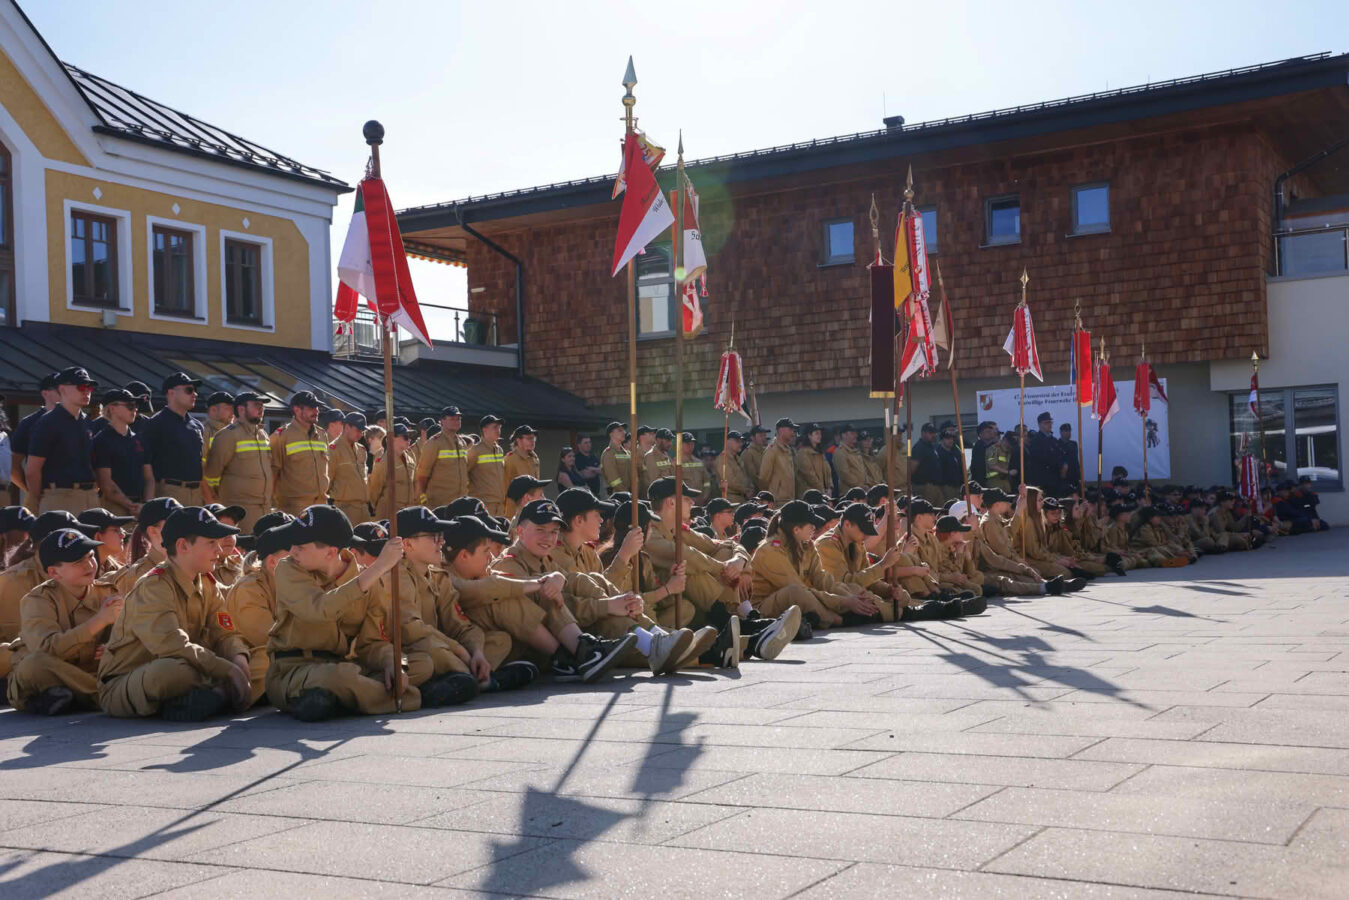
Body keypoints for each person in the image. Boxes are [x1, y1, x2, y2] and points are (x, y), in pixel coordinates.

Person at [265, 506, 420, 720]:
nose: (292, 551)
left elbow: (372, 643)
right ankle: (408, 697)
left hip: (341, 664)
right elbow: (319, 609)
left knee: (420, 663)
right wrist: (379, 567)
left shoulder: (366, 581)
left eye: (300, 546)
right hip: (292, 670)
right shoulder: (287, 569)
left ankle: (341, 699)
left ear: (330, 552)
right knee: (341, 677)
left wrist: (393, 664)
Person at [97, 506, 252, 720]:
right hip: (126, 682)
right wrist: (228, 671)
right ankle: (221, 693)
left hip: (185, 663)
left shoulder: (206, 583)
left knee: (254, 657)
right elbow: (172, 645)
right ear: (183, 546)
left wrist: (239, 660)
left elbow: (225, 633)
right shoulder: (154, 586)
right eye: (211, 543)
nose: (219, 549)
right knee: (175, 670)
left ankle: (205, 697)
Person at [551, 488, 706, 674]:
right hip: (587, 632)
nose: (601, 520)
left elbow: (604, 591)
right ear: (578, 520)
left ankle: (667, 641)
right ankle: (707, 652)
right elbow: (574, 605)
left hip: (621, 620)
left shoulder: (589, 553)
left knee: (677, 623)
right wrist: (623, 558)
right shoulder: (555, 556)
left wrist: (664, 586)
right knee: (625, 627)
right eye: (596, 514)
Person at [489, 499, 638, 681]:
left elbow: (573, 581)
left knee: (589, 581)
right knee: (551, 595)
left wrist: (622, 601)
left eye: (554, 532)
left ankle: (651, 634)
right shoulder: (508, 564)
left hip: (558, 642)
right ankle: (589, 652)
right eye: (540, 530)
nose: (548, 538)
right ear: (519, 531)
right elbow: (539, 608)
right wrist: (606, 606)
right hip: (526, 651)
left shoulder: (543, 558)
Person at [6, 528, 124, 714]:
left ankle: (70, 697)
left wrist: (113, 647)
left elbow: (125, 638)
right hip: (56, 671)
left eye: (90, 556)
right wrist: (99, 621)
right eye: (78, 561)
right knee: (32, 664)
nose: (89, 565)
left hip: (92, 673)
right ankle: (106, 696)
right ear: (54, 572)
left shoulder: (107, 593)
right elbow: (47, 648)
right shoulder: (38, 600)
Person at [752, 500, 868, 632]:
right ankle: (838, 619)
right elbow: (798, 588)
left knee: (853, 588)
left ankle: (866, 610)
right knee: (795, 592)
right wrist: (842, 602)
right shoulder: (770, 550)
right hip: (766, 608)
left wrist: (849, 597)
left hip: (805, 598)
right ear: (796, 529)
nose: (814, 528)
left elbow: (821, 579)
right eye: (810, 525)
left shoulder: (806, 545)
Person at [223, 512, 293, 705]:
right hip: (248, 657)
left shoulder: (288, 581)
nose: (301, 558)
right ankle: (222, 696)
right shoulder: (249, 588)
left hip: (277, 650)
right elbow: (271, 639)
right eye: (294, 554)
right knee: (276, 659)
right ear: (272, 562)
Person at [24, 367, 99, 515]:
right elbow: (32, 470)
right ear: (62, 389)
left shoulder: (87, 422)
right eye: (81, 387)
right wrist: (37, 499)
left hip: (89, 496)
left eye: (89, 387)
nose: (86, 391)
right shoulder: (48, 422)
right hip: (60, 497)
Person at [202, 391, 273, 531]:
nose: (261, 409)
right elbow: (211, 474)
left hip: (264, 508)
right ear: (241, 409)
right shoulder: (228, 435)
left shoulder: (263, 435)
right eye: (256, 405)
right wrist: (215, 499)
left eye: (262, 406)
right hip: (240, 510)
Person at [142, 372, 207, 506]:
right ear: (171, 393)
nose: (195, 394)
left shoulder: (197, 425)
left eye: (195, 390)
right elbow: (145, 466)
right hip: (168, 492)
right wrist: (149, 502)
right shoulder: (155, 424)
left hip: (196, 493)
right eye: (189, 390)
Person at [91, 388, 154, 517]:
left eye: (136, 406)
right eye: (130, 406)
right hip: (113, 507)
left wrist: (146, 505)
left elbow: (149, 478)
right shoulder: (101, 440)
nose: (135, 409)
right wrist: (131, 505)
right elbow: (106, 483)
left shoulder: (139, 440)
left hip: (140, 507)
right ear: (112, 408)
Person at [102, 497, 180, 596]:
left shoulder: (189, 567)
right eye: (173, 523)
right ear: (153, 531)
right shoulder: (138, 577)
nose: (183, 527)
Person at [270, 391, 330, 516]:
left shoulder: (322, 434)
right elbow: (273, 472)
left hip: (322, 505)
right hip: (294, 508)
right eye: (311, 407)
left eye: (317, 407)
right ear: (297, 410)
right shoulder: (282, 436)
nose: (316, 410)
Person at [9, 373, 60, 494]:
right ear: (45, 393)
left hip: (81, 495)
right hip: (47, 494)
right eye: (59, 389)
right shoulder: (29, 423)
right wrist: (33, 493)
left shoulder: (81, 420)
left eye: (68, 388)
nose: (65, 392)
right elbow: (12, 465)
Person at [327, 411, 370, 526]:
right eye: (358, 430)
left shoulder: (361, 450)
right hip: (345, 508)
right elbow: (327, 482)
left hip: (363, 508)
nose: (360, 434)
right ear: (346, 427)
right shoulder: (334, 449)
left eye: (362, 431)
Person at [369, 423, 416, 515]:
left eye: (410, 437)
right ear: (393, 438)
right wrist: (375, 508)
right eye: (405, 437)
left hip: (407, 511)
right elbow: (374, 489)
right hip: (388, 512)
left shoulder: (410, 459)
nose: (409, 440)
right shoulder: (384, 461)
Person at [77, 507, 135, 579]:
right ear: (98, 537)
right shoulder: (77, 573)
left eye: (120, 530)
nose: (123, 535)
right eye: (116, 530)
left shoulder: (119, 570)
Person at [467, 414, 507, 516]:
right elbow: (464, 474)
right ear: (484, 430)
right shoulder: (475, 450)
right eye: (495, 427)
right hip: (483, 505)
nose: (498, 430)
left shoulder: (499, 450)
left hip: (500, 504)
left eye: (499, 427)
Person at [503, 425, 541, 518]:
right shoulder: (510, 459)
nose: (532, 441)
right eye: (529, 438)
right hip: (515, 510)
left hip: (532, 507)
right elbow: (505, 488)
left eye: (533, 438)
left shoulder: (534, 458)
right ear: (518, 440)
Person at [1026, 411, 1067, 495]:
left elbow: (1060, 455)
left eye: (1050, 422)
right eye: (1046, 423)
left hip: (1055, 480)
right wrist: (1059, 464)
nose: (1049, 425)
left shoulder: (1054, 440)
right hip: (1042, 482)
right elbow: (1043, 459)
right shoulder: (1036, 441)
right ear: (1040, 424)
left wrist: (1063, 465)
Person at [758, 418, 798, 502]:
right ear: (781, 430)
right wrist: (772, 495)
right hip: (777, 501)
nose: (792, 432)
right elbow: (763, 478)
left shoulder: (788, 449)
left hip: (789, 499)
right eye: (790, 429)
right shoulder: (772, 450)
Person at [795, 423, 831, 500]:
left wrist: (829, 487)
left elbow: (827, 471)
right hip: (808, 496)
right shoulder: (802, 453)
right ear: (809, 435)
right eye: (816, 433)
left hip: (822, 494)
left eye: (820, 433)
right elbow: (809, 474)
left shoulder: (820, 453)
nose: (820, 436)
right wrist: (822, 490)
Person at [714, 430, 752, 503]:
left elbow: (746, 476)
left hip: (743, 498)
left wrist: (750, 488)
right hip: (731, 499)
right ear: (727, 442)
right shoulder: (722, 459)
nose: (740, 444)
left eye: (741, 441)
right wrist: (746, 490)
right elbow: (730, 481)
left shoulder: (738, 458)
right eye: (737, 441)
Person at [910, 423, 943, 506]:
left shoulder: (931, 447)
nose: (933, 435)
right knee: (927, 510)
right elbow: (912, 468)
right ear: (923, 433)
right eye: (930, 433)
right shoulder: (919, 447)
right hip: (925, 487)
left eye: (934, 432)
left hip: (935, 486)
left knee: (939, 510)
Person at [599, 422, 634, 497]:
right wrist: (626, 493)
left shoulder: (627, 453)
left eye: (624, 430)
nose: (624, 432)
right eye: (620, 430)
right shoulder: (608, 453)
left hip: (629, 494)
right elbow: (614, 480)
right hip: (617, 496)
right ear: (611, 434)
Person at [832, 424, 868, 497]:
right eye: (852, 433)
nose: (855, 436)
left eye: (855, 433)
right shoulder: (840, 452)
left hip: (861, 492)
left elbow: (863, 471)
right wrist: (860, 486)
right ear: (844, 435)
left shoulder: (856, 451)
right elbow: (844, 474)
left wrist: (866, 484)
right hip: (849, 494)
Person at [201, 391, 236, 464]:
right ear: (213, 410)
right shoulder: (202, 432)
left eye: (233, 408)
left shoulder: (236, 430)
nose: (232, 412)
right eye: (228, 408)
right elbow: (200, 462)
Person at [935, 425, 965, 502]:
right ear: (942, 439)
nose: (951, 440)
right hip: (945, 487)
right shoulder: (937, 453)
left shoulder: (956, 451)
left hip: (958, 486)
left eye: (952, 438)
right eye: (948, 438)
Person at [643, 428, 674, 498]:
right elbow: (654, 482)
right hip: (659, 497)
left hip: (669, 495)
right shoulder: (650, 456)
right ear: (658, 440)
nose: (670, 443)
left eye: (671, 440)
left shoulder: (666, 455)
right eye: (668, 440)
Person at [968, 421, 997, 487]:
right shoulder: (978, 447)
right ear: (980, 434)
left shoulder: (995, 445)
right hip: (982, 483)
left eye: (990, 431)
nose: (990, 433)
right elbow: (979, 467)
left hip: (995, 481)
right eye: (987, 431)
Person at [742, 424, 770, 491]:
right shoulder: (748, 453)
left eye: (764, 435)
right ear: (752, 437)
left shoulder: (766, 451)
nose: (763, 438)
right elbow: (753, 476)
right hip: (755, 491)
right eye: (760, 436)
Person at [1059, 424, 1081, 491]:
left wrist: (1079, 476)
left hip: (1073, 475)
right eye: (1066, 431)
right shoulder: (1057, 444)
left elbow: (1076, 461)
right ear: (1061, 432)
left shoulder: (1073, 444)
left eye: (1069, 431)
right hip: (1063, 476)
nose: (1068, 433)